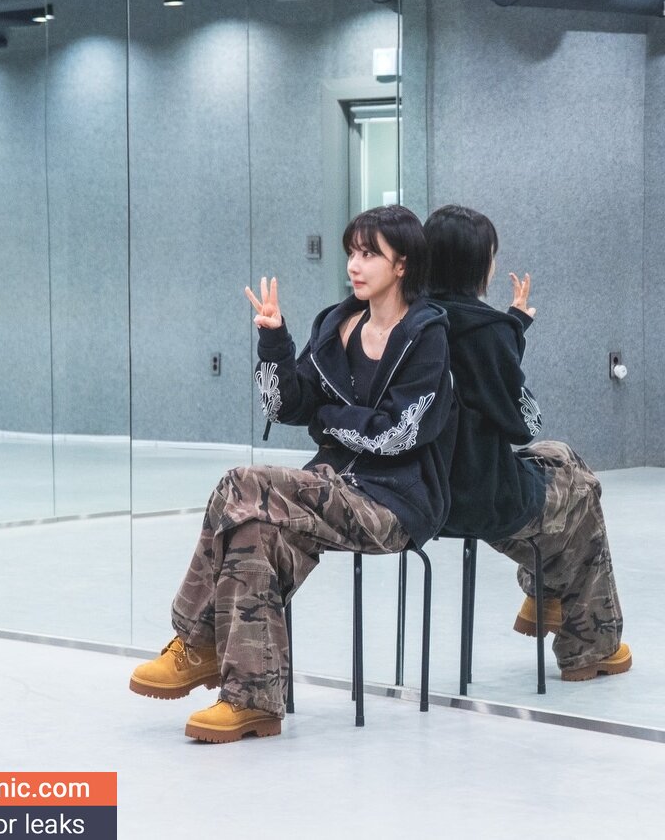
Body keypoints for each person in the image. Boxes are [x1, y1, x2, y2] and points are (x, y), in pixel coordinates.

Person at [128, 205, 456, 742]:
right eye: (352, 252)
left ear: (402, 264)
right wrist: (275, 341)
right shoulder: (335, 324)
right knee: (252, 532)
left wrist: (328, 419)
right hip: (331, 487)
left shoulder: (427, 336)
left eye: (369, 254)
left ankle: (196, 639)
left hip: (394, 501)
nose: (354, 264)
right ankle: (252, 702)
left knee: (242, 482)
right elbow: (285, 406)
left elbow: (399, 433)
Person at [422, 204, 630, 681]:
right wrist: (509, 332)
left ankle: (545, 599)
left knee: (561, 457)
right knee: (582, 490)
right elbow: (523, 422)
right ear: (479, 264)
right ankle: (587, 645)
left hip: (425, 493)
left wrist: (512, 326)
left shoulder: (413, 320)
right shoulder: (489, 330)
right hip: (482, 496)